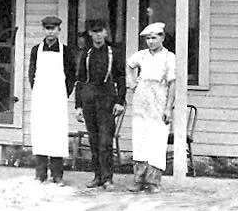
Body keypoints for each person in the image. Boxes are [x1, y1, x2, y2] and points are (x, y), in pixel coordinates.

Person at [74, 18, 126, 188]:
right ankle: (97, 176)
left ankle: (108, 178)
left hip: (107, 100)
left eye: (100, 31)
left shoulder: (114, 53)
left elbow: (121, 77)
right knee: (94, 141)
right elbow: (80, 81)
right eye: (94, 32)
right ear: (90, 33)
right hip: (89, 100)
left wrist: (120, 101)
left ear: (105, 32)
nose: (98, 35)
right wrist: (78, 106)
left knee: (105, 141)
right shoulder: (86, 54)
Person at [126, 22, 176, 193]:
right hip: (142, 97)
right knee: (140, 137)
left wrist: (168, 107)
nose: (151, 42)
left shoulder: (169, 57)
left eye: (154, 38)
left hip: (159, 97)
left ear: (162, 37)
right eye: (148, 38)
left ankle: (153, 181)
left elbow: (172, 83)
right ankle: (139, 179)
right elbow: (130, 65)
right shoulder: (141, 55)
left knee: (157, 139)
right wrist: (132, 82)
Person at [28, 15, 76, 184]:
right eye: (47, 28)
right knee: (41, 133)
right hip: (41, 97)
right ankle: (40, 174)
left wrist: (64, 93)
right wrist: (38, 92)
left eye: (53, 28)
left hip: (58, 98)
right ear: (44, 30)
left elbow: (71, 76)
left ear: (58, 30)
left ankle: (57, 175)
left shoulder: (66, 50)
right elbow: (31, 73)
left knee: (57, 134)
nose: (50, 32)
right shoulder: (36, 50)